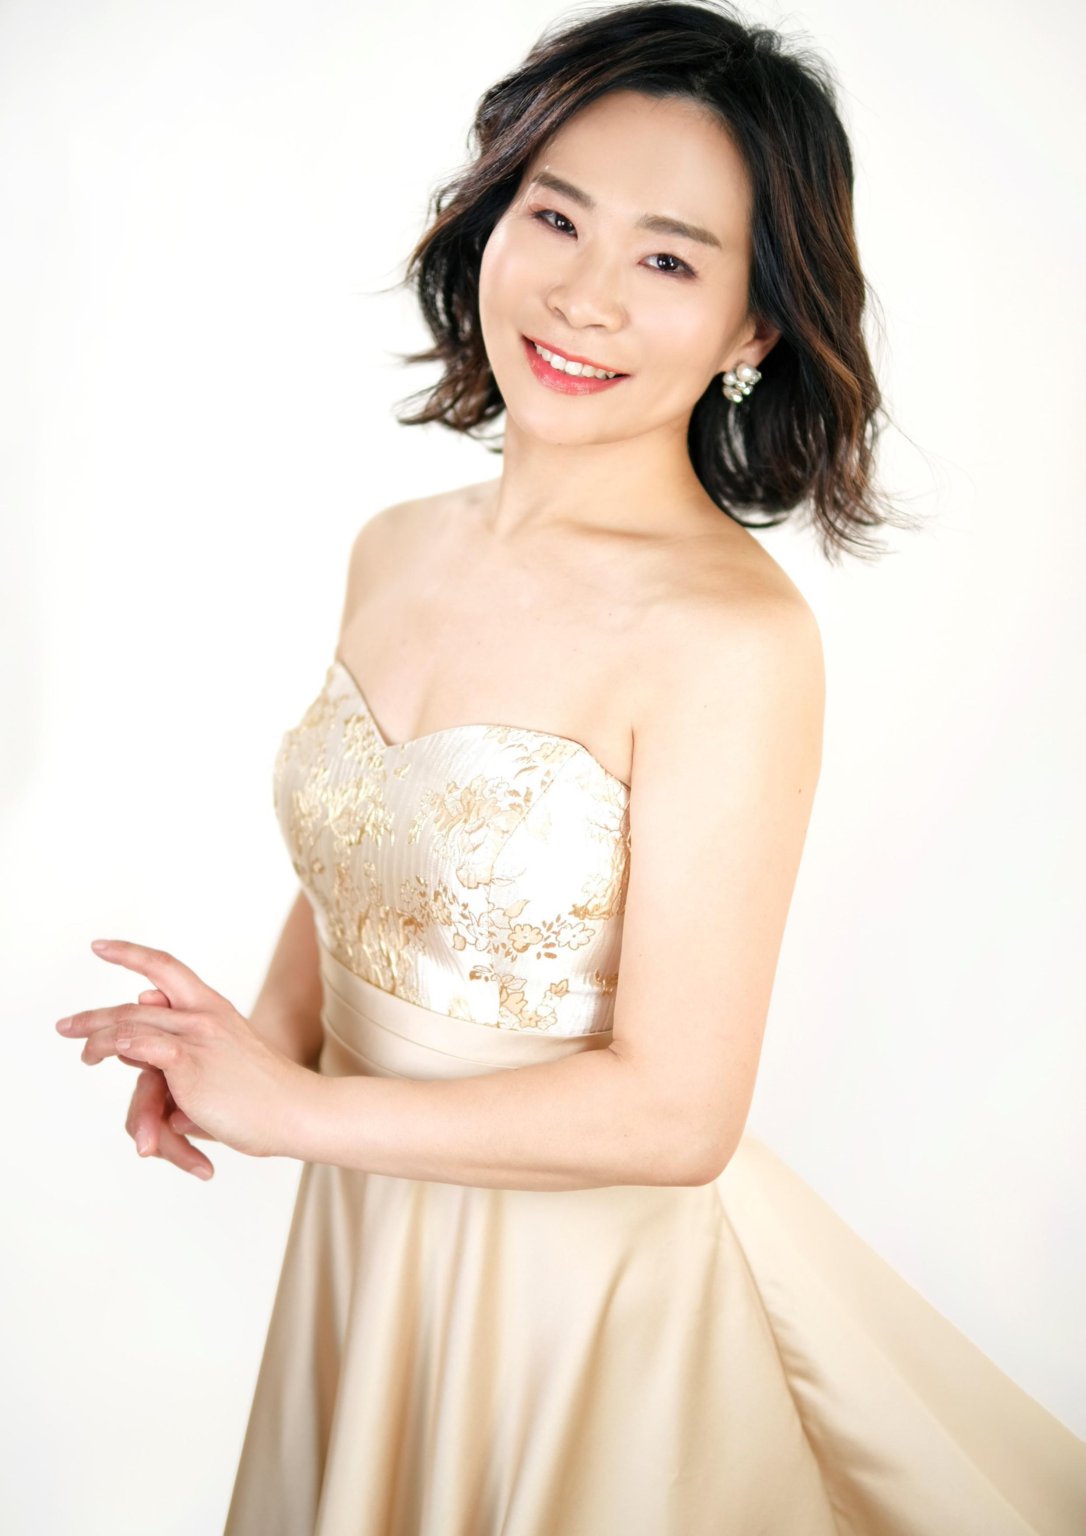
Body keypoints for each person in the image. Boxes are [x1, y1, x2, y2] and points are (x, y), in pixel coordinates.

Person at [55, 3, 1086, 1532]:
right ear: (487, 219)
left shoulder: (729, 640)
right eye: (555, 218)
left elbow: (676, 1116)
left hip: (580, 1303)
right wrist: (246, 1047)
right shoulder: (397, 545)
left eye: (667, 260)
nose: (583, 296)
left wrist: (299, 1114)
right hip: (367, 1242)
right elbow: (369, 862)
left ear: (753, 330)